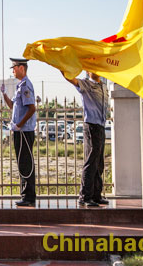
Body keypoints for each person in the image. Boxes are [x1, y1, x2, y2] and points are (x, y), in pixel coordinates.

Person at [62, 71, 109, 207]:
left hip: (101, 126)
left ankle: (96, 195)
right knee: (91, 161)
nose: (96, 70)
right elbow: (70, 78)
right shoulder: (85, 84)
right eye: (92, 68)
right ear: (88, 71)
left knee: (99, 163)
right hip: (91, 126)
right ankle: (85, 196)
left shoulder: (103, 86)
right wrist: (61, 66)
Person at [1, 58, 37, 207]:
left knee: (26, 163)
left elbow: (32, 108)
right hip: (19, 131)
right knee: (22, 162)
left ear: (21, 68)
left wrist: (19, 125)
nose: (13, 71)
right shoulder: (20, 86)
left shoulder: (25, 85)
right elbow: (13, 106)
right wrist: (4, 95)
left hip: (24, 131)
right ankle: (26, 195)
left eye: (14, 68)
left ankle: (28, 196)